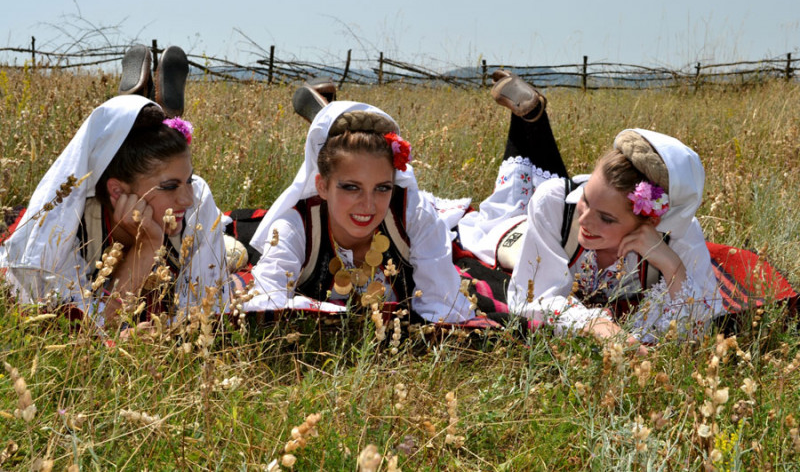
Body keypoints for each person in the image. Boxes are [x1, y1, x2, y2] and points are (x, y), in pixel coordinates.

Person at [456, 71, 721, 347]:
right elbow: (531, 297)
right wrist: (593, 323)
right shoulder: (559, 204)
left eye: (606, 218)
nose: (585, 219)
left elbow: (698, 325)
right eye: (586, 197)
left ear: (650, 222)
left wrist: (671, 263)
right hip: (526, 232)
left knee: (549, 186)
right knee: (512, 195)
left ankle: (533, 114)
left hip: (560, 217)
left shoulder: (679, 233)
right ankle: (529, 117)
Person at [0, 49, 228, 329]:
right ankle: (134, 113)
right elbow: (86, 330)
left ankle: (141, 115)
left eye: (189, 180)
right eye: (169, 187)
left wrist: (165, 332)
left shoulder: (199, 199)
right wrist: (146, 247)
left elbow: (207, 309)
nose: (188, 199)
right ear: (118, 192)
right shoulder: (69, 230)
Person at [244, 100, 480, 324]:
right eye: (351, 187)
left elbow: (446, 307)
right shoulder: (296, 226)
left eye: (382, 188)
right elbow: (265, 303)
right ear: (322, 186)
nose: (368, 205)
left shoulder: (413, 216)